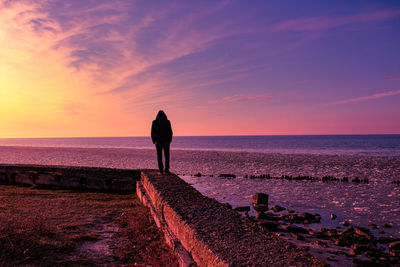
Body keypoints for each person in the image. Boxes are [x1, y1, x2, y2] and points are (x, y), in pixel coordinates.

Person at [151, 110, 173, 175]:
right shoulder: (167, 122)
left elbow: (152, 132)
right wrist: (169, 140)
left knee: (159, 156)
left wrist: (154, 141)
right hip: (166, 142)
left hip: (158, 142)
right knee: (167, 156)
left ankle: (161, 171)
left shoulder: (155, 122)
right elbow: (170, 132)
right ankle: (166, 169)